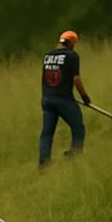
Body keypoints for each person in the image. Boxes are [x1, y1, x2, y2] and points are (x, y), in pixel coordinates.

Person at [39, 29, 91, 168]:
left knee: (47, 133)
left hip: (47, 99)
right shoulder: (72, 56)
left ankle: (44, 162)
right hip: (64, 99)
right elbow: (76, 78)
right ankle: (75, 154)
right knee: (78, 128)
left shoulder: (47, 55)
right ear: (72, 44)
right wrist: (84, 96)